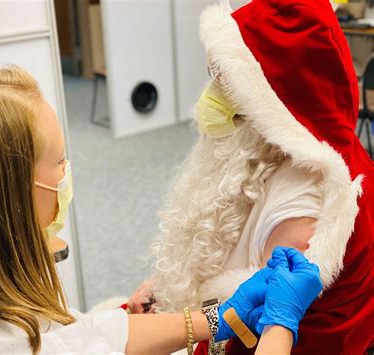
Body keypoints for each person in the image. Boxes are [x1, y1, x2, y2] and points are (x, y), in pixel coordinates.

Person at [0, 66, 322, 354]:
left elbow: (73, 340)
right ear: (5, 196)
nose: (67, 174)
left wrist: (216, 317)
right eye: (59, 162)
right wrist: (280, 325)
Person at [132, 0, 373, 354]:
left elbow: (253, 330)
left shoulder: (303, 204)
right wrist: (167, 288)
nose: (209, 97)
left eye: (225, 84)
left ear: (269, 96)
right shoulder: (276, 154)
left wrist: (178, 318)